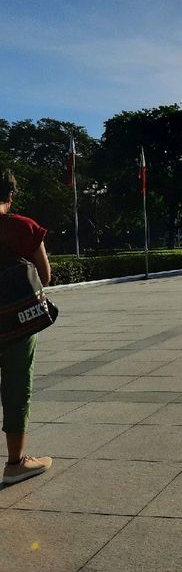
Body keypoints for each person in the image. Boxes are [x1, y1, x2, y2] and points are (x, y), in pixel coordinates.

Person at [0, 169, 53, 484]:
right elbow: (44, 277)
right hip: (16, 325)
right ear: (10, 194)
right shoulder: (23, 227)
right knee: (17, 388)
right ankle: (15, 463)